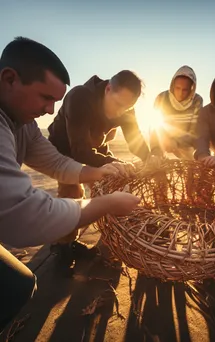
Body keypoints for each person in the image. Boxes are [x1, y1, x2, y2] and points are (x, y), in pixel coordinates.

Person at [0, 37, 140, 332]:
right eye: (45, 98)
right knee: (16, 287)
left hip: (82, 157)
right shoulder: (75, 100)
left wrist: (99, 173)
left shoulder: (22, 123)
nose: (52, 111)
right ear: (9, 79)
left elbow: (58, 164)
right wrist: (106, 203)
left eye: (55, 100)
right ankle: (62, 249)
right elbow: (24, 215)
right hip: (70, 151)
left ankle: (69, 242)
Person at [47, 70, 149, 271]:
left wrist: (151, 157)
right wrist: (114, 162)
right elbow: (79, 150)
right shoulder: (79, 97)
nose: (121, 112)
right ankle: (63, 246)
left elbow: (135, 141)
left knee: (111, 188)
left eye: (127, 108)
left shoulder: (126, 107)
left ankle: (109, 247)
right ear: (108, 89)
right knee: (72, 194)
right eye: (119, 105)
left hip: (95, 148)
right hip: (64, 150)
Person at [150, 65, 203, 159]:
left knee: (194, 165)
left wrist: (176, 141)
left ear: (191, 88)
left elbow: (194, 131)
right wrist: (157, 148)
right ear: (172, 85)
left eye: (185, 90)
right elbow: (155, 127)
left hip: (186, 143)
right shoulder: (161, 98)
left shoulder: (197, 100)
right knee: (155, 162)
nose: (180, 93)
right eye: (177, 88)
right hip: (163, 139)